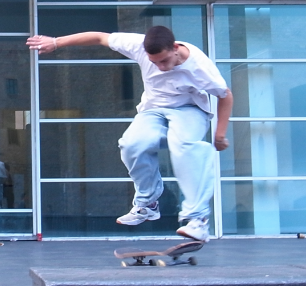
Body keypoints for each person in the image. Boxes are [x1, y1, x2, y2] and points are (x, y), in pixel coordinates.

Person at [26, 25, 232, 242]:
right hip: (154, 110)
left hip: (189, 110)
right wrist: (56, 42)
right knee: (131, 144)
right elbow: (99, 37)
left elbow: (225, 95)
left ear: (174, 48)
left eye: (164, 61)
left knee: (183, 145)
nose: (160, 67)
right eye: (154, 63)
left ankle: (198, 219)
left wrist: (220, 134)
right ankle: (148, 203)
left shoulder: (199, 67)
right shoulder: (138, 45)